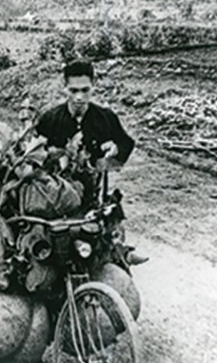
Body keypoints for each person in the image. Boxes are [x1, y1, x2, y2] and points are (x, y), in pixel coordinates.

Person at [36, 59, 147, 265]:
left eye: (85, 90)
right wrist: (54, 155)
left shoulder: (105, 118)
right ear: (65, 88)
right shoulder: (50, 120)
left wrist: (114, 151)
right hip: (57, 197)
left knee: (104, 230)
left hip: (92, 195)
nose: (79, 97)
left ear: (93, 86)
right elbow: (34, 153)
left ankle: (121, 255)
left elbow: (126, 143)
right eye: (73, 90)